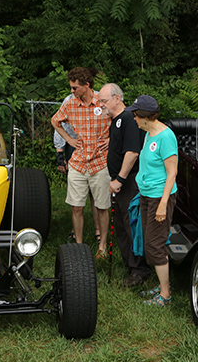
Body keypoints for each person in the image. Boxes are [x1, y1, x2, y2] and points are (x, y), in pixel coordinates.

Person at [51, 67, 110, 259]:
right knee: (76, 206)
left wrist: (112, 139)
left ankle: (101, 247)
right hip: (78, 161)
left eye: (75, 87)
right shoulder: (70, 104)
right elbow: (55, 121)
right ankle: (78, 245)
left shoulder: (104, 100)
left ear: (87, 85)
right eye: (71, 87)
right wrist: (68, 140)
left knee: (101, 206)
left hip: (100, 161)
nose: (71, 91)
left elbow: (122, 119)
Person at [99, 83, 152, 287]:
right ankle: (129, 264)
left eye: (104, 101)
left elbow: (132, 152)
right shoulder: (116, 121)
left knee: (131, 224)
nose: (101, 105)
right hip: (118, 180)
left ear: (117, 98)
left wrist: (119, 179)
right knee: (120, 224)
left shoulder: (129, 118)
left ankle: (140, 269)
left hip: (129, 181)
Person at [129, 95, 177, 307]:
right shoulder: (149, 133)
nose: (134, 118)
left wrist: (163, 204)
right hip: (148, 195)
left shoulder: (166, 137)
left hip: (160, 197)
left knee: (155, 245)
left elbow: (172, 172)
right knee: (151, 243)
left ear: (145, 117)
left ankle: (165, 295)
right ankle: (162, 284)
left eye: (136, 115)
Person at [54, 92, 102, 243]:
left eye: (75, 87)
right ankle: (75, 230)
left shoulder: (100, 99)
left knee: (96, 192)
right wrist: (60, 153)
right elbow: (59, 124)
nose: (72, 90)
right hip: (75, 145)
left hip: (96, 149)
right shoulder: (69, 100)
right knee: (77, 192)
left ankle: (98, 229)